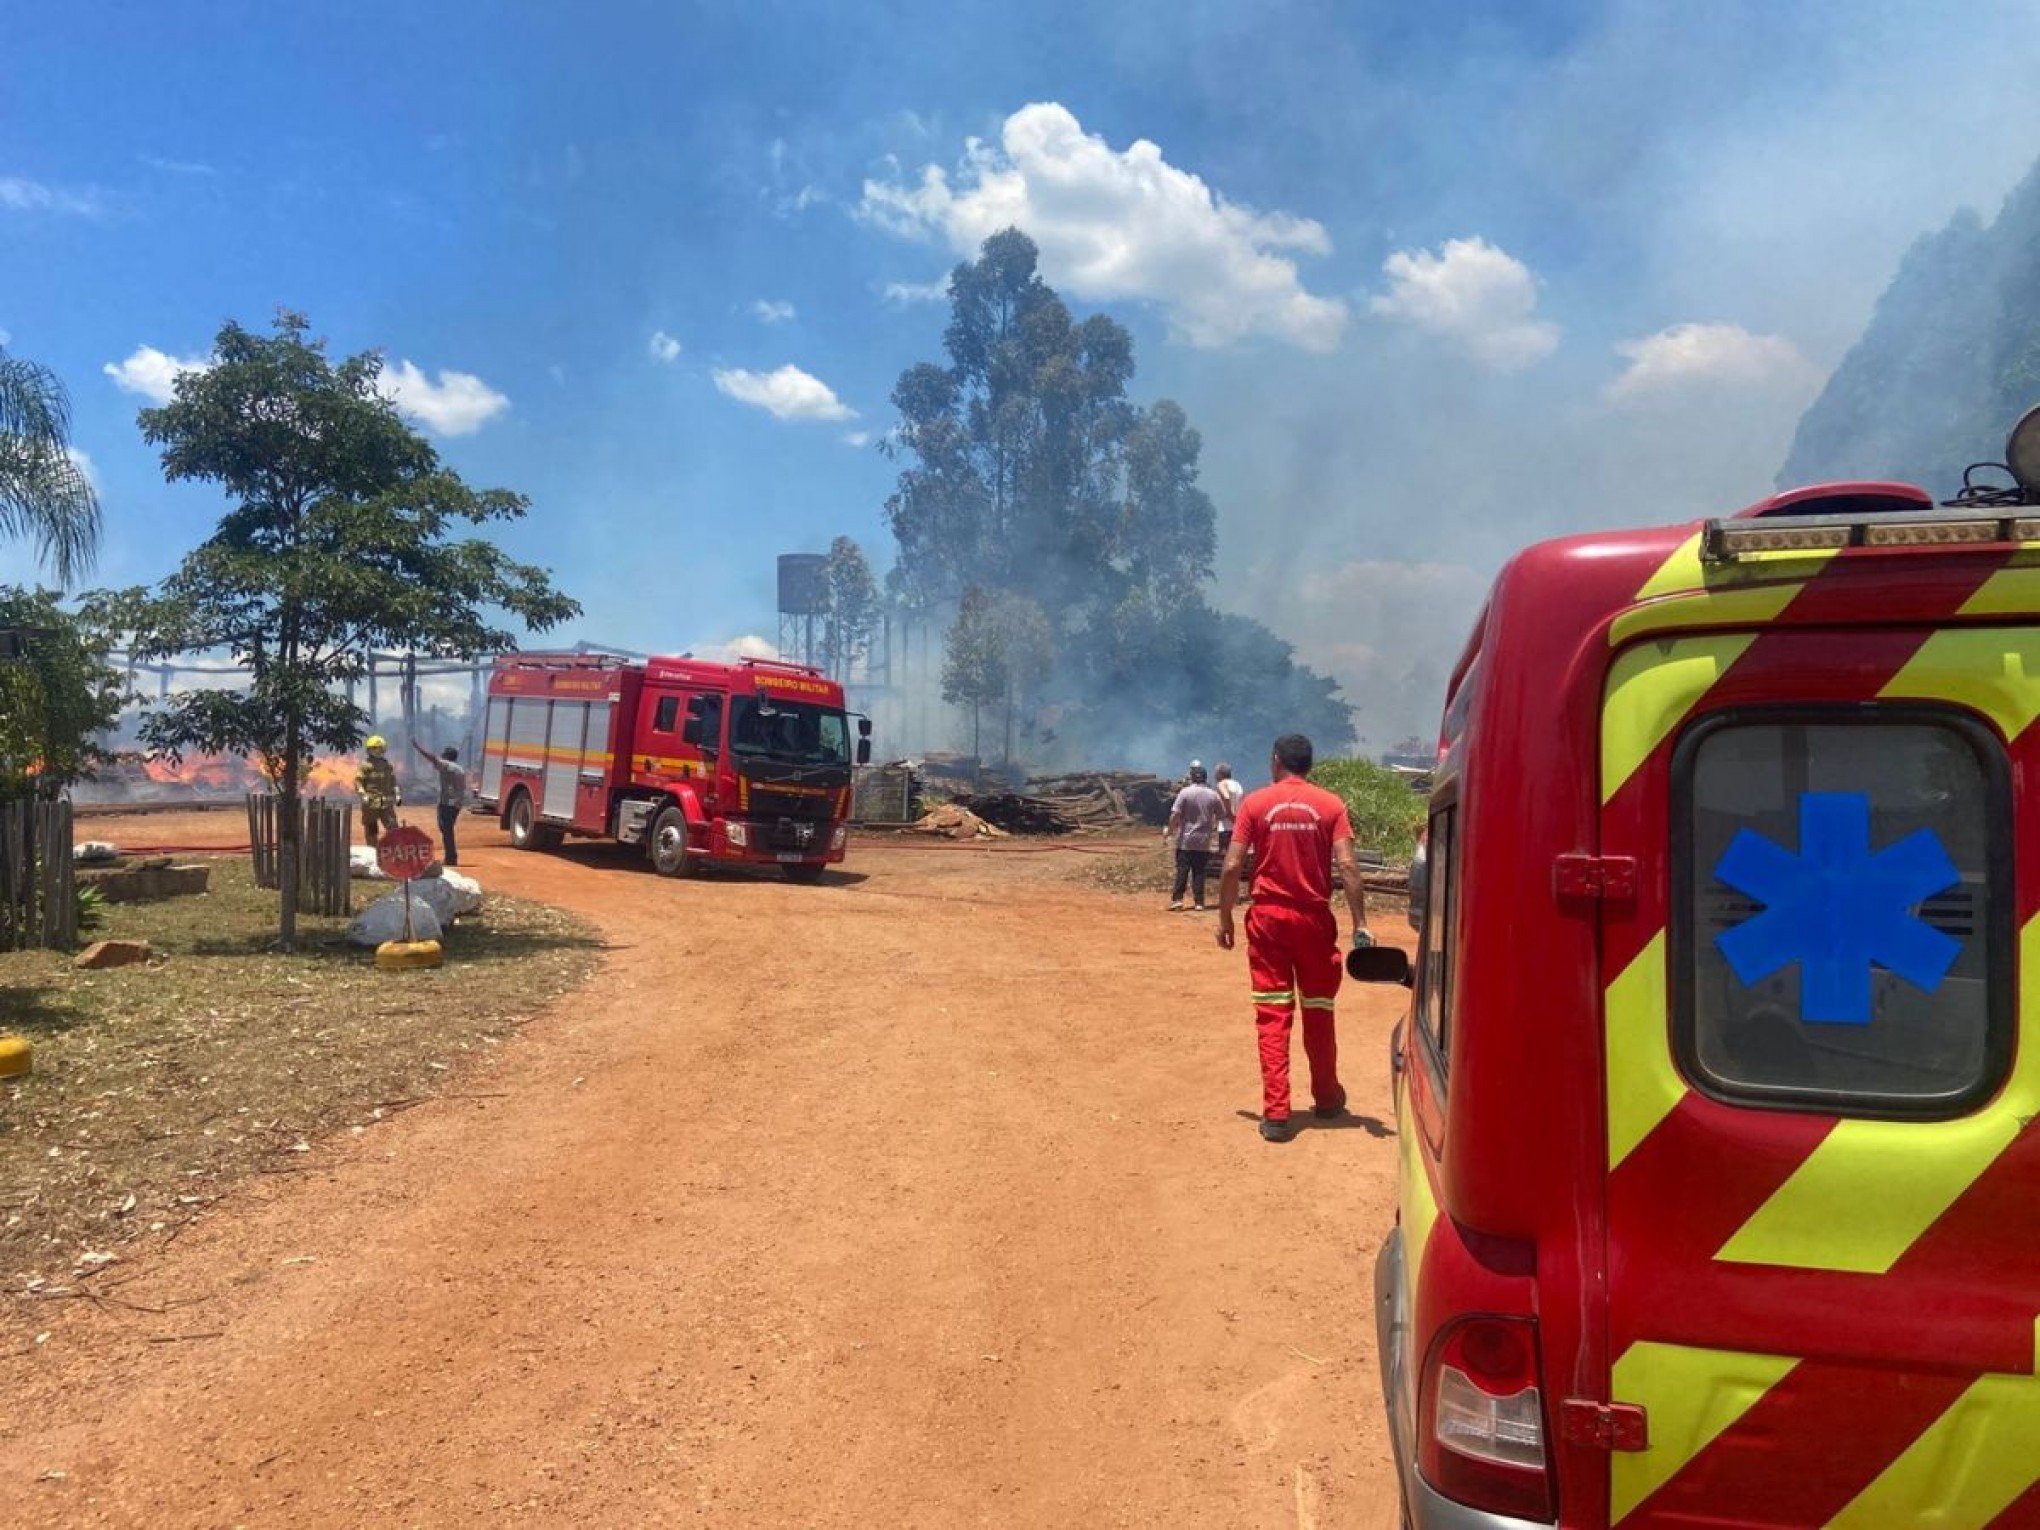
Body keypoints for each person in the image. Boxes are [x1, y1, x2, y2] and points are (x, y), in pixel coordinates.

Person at [1216, 733, 1372, 1143]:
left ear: (1275, 761)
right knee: (1319, 1008)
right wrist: (1360, 923)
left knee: (1273, 1012)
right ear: (1309, 765)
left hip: (1267, 921)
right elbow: (1349, 866)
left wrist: (1225, 917)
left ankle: (1277, 1113)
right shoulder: (1330, 805)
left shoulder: (1255, 804)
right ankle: (1326, 1098)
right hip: (1314, 922)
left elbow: (1232, 865)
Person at [1163, 762, 1224, 911]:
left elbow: (1175, 814)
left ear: (1192, 778)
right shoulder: (1213, 794)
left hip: (1185, 840)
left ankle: (1178, 900)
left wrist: (1169, 831)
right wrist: (1213, 826)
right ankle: (1199, 902)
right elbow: (1221, 814)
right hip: (1203, 840)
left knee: (1182, 870)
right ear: (1205, 778)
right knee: (1199, 872)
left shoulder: (1185, 793)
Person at [414, 741, 468, 866]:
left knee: (446, 829)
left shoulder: (447, 765)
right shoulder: (459, 768)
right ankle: (450, 856)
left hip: (448, 803)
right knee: (446, 829)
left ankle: (451, 858)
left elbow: (432, 758)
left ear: (446, 757)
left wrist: (418, 747)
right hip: (456, 803)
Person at [356, 735, 400, 848]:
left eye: (381, 748)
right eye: (376, 748)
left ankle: (394, 852)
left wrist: (398, 794)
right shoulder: (365, 766)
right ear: (370, 750)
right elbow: (358, 782)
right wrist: (363, 795)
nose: (379, 751)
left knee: (393, 828)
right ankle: (372, 851)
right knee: (372, 830)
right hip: (371, 804)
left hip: (386, 803)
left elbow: (393, 782)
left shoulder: (387, 766)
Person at [1213, 761, 1245, 855]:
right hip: (1236, 825)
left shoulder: (1221, 784)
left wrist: (1229, 813)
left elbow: (1226, 796)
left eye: (1216, 773)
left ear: (1220, 774)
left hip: (1225, 826)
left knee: (1224, 854)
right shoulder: (1238, 785)